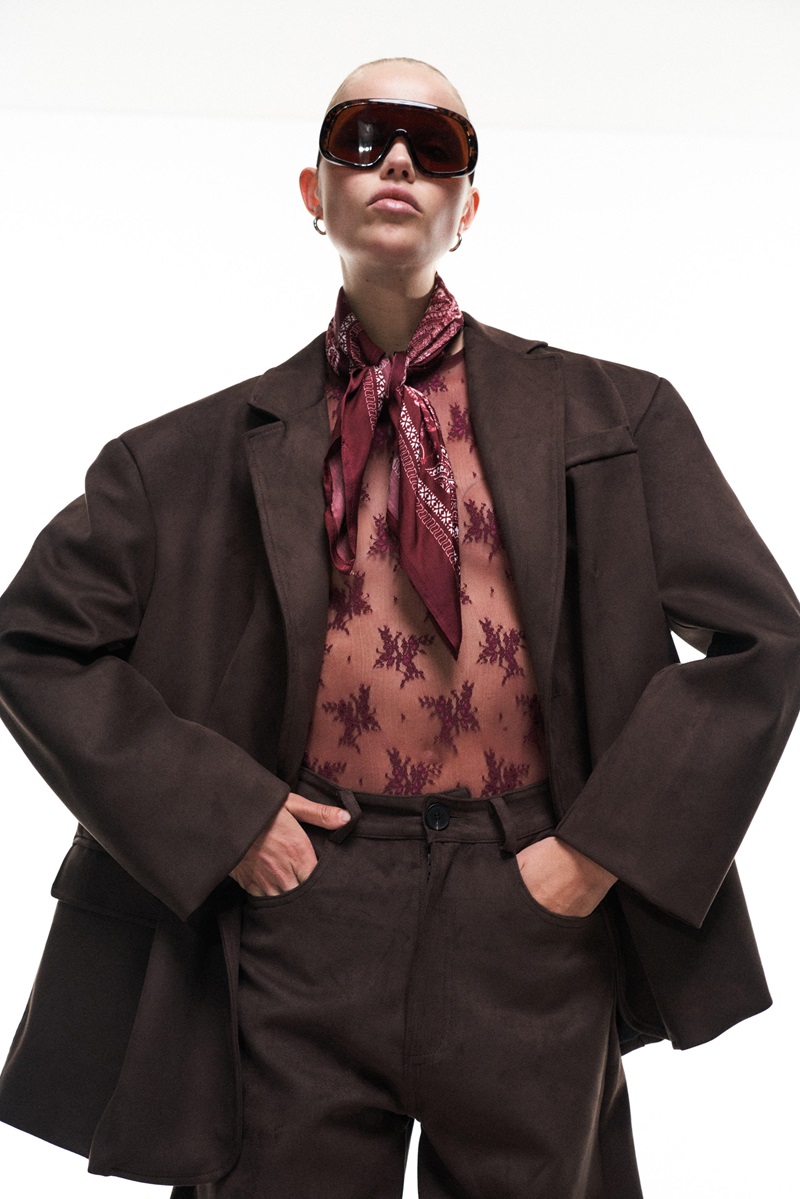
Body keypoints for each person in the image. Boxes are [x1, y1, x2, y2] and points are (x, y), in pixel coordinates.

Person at [0, 55, 798, 1199]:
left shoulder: (615, 418)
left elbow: (764, 638)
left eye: (436, 147)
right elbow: (33, 642)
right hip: (299, 907)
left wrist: (596, 850)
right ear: (312, 191)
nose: (397, 161)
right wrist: (225, 816)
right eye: (362, 136)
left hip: (530, 909)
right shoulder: (176, 460)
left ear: (466, 207)